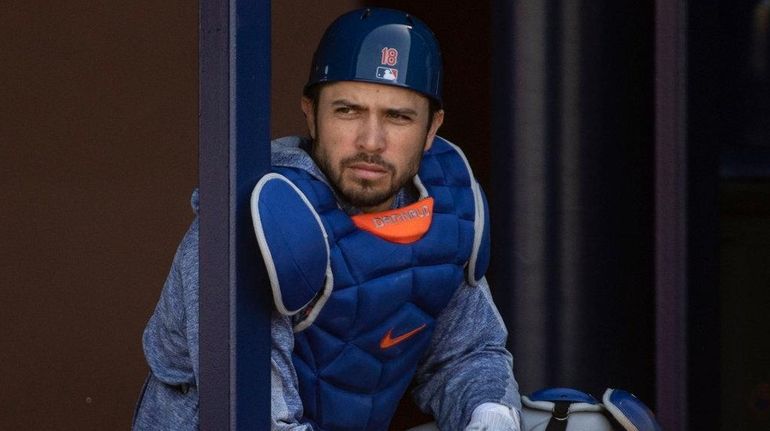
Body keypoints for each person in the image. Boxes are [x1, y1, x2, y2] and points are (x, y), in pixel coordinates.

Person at [133, 7, 521, 431]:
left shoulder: (444, 211)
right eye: (348, 111)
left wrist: (488, 411)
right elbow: (261, 422)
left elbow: (466, 353)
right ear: (311, 113)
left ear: (432, 128)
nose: (371, 142)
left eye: (398, 116)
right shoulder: (257, 225)